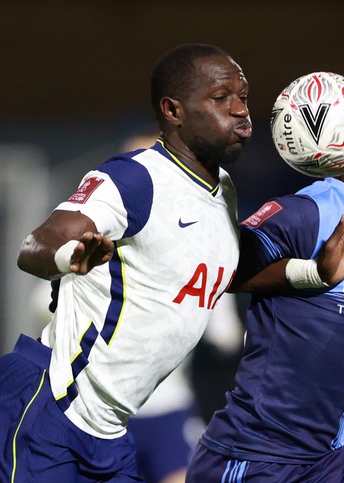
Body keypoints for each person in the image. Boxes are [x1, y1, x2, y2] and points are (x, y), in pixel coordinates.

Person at [0, 43, 253, 482]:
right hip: (48, 405)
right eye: (221, 98)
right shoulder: (136, 176)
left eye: (243, 97)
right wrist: (71, 256)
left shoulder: (224, 193)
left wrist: (311, 274)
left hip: (111, 431)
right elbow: (36, 244)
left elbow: (228, 279)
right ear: (173, 110)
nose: (239, 110)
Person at [186, 91, 344, 482]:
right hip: (256, 458)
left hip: (333, 458)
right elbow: (218, 268)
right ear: (339, 158)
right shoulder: (309, 212)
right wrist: (311, 273)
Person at [120, 130, 245, 483]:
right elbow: (227, 337)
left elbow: (43, 306)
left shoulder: (100, 237)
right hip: (130, 410)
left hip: (139, 409)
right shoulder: (200, 248)